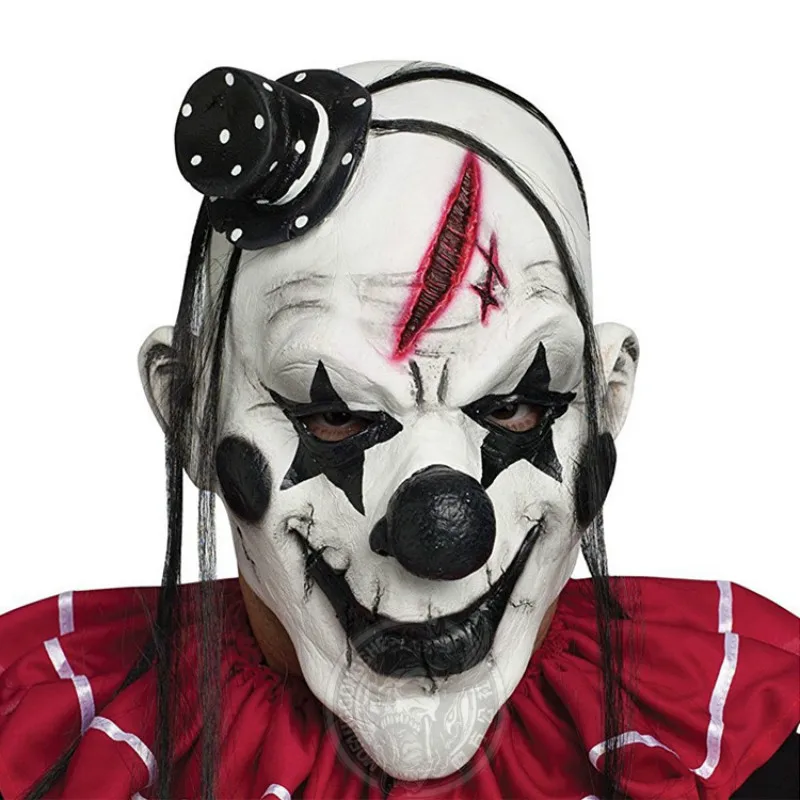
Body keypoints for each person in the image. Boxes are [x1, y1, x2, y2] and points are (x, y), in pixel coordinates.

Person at [0, 60, 797, 800]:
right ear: (190, 413)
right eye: (335, 415)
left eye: (513, 407)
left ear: (607, 399)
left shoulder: (745, 732)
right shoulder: (41, 740)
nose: (445, 535)